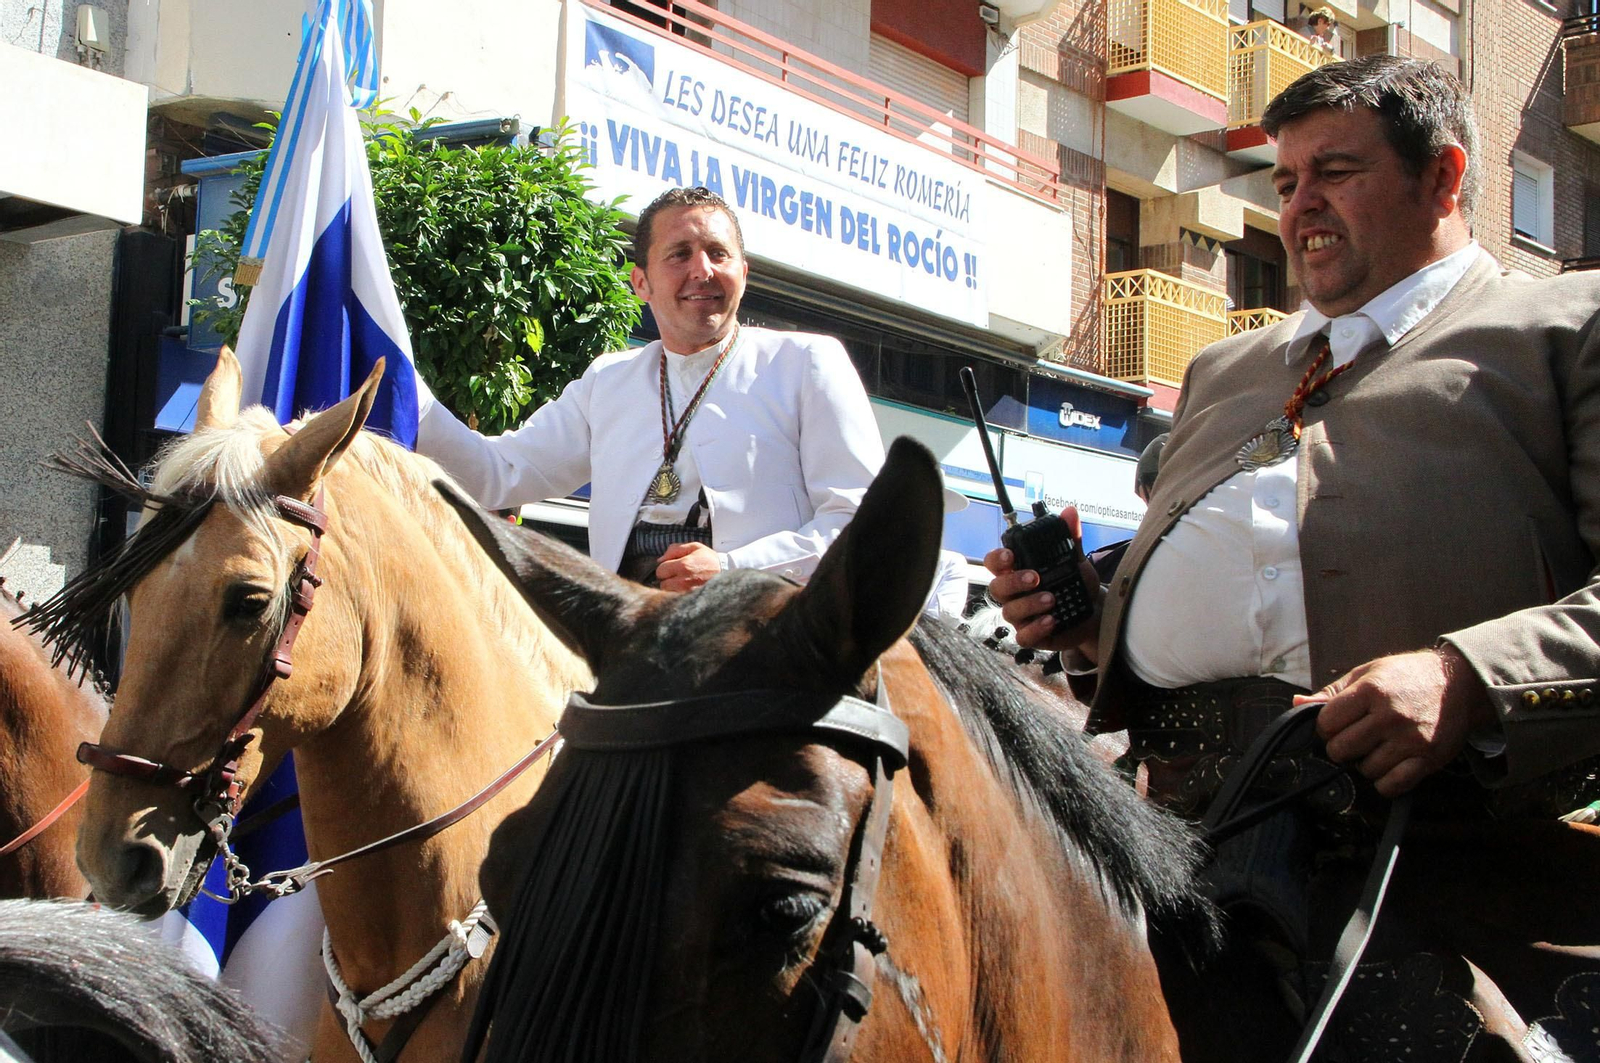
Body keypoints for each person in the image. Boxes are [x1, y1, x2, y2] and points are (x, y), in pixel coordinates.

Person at [987, 56, 1600, 1061]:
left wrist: (1467, 677)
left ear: (1442, 180)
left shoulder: (1561, 328)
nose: (1298, 205)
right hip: (1175, 850)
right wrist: (1096, 620)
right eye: (1283, 181)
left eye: (1336, 172)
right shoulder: (1224, 368)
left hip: (1439, 863)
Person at [415, 187, 884, 590]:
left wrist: (731, 569)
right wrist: (405, 394)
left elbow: (862, 525)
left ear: (744, 272)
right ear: (641, 281)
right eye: (679, 254)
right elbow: (499, 473)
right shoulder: (607, 381)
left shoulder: (806, 363)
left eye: (718, 254)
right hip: (625, 630)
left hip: (763, 636)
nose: (702, 270)